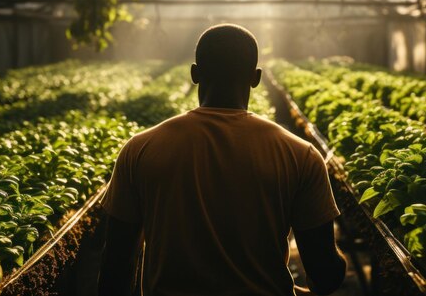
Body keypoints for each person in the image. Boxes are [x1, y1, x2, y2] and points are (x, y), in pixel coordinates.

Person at [98, 24, 346, 296]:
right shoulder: (299, 154)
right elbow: (324, 274)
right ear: (256, 78)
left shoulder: (140, 148)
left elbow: (116, 265)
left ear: (194, 74)